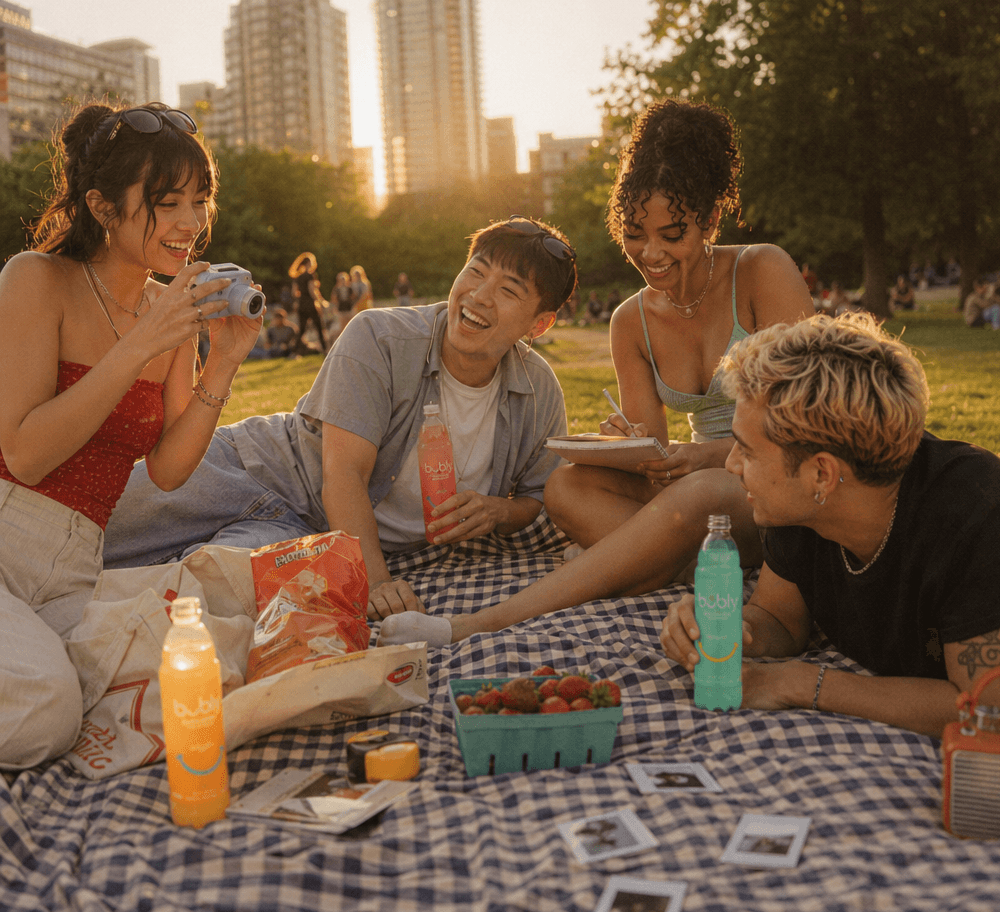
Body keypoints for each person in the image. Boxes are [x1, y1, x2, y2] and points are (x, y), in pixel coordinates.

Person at [377, 100, 813, 649]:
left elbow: (810, 420)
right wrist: (629, 447)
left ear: (709, 220)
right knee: (566, 487)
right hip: (701, 498)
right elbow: (655, 454)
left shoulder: (761, 270)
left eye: (671, 234)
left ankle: (478, 623)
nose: (650, 253)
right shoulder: (631, 320)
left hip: (774, 482)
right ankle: (664, 563)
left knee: (699, 492)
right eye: (635, 234)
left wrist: (703, 456)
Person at [103, 217, 578, 622]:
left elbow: (539, 496)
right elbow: (343, 474)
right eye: (476, 271)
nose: (480, 295)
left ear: (539, 324)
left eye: (509, 290)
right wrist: (377, 582)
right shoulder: (382, 337)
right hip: (251, 468)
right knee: (88, 531)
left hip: (306, 539)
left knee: (191, 600)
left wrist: (501, 511)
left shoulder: (536, 392)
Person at [0, 101, 262, 769]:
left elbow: (169, 470)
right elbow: (25, 454)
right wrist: (143, 341)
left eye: (200, 201)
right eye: (168, 203)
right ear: (102, 206)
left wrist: (223, 361)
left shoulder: (166, 313)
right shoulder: (36, 279)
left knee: (205, 661)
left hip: (73, 573)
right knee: (45, 711)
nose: (190, 223)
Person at [660, 313, 1000, 738]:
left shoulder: (981, 516)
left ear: (822, 475)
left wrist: (798, 683)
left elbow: (986, 710)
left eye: (747, 451)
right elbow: (779, 618)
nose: (731, 464)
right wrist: (724, 630)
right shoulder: (794, 507)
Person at [288, 251, 328, 353]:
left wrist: (301, 296)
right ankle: (325, 349)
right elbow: (312, 291)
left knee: (302, 329)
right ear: (308, 263)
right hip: (310, 304)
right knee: (319, 326)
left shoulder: (298, 277)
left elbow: (294, 293)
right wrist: (321, 301)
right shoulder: (309, 276)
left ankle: (294, 350)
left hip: (301, 304)